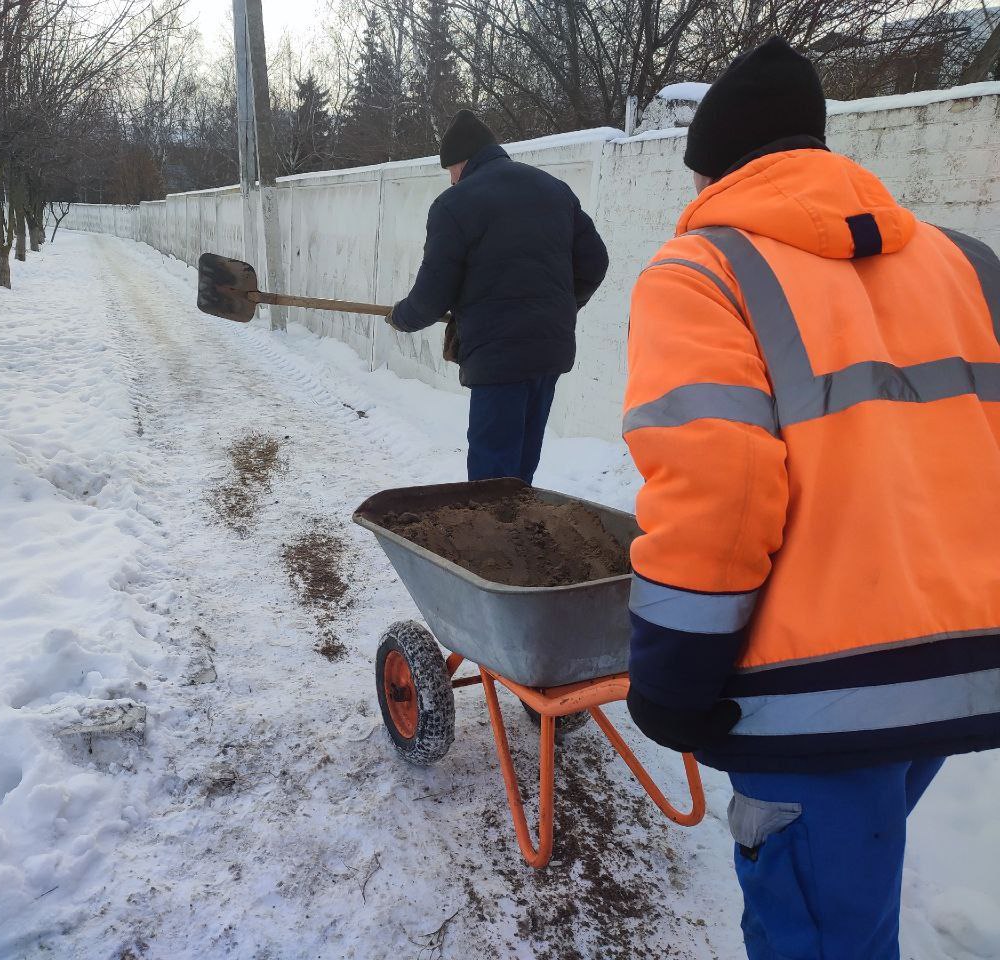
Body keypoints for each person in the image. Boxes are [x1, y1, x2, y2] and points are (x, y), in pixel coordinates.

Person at [622, 36, 1000, 959]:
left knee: (821, 935)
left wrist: (672, 680)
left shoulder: (701, 271)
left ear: (710, 169)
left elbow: (720, 490)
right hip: (956, 662)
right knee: (852, 906)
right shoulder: (967, 263)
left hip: (815, 693)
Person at [388, 109, 608, 484]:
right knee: (521, 469)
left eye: (450, 171)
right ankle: (516, 536)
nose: (451, 180)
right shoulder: (554, 189)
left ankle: (493, 540)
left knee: (491, 476)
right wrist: (560, 307)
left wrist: (401, 317)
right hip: (548, 352)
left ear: (460, 162)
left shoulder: (454, 204)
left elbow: (431, 296)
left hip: (498, 355)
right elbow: (595, 262)